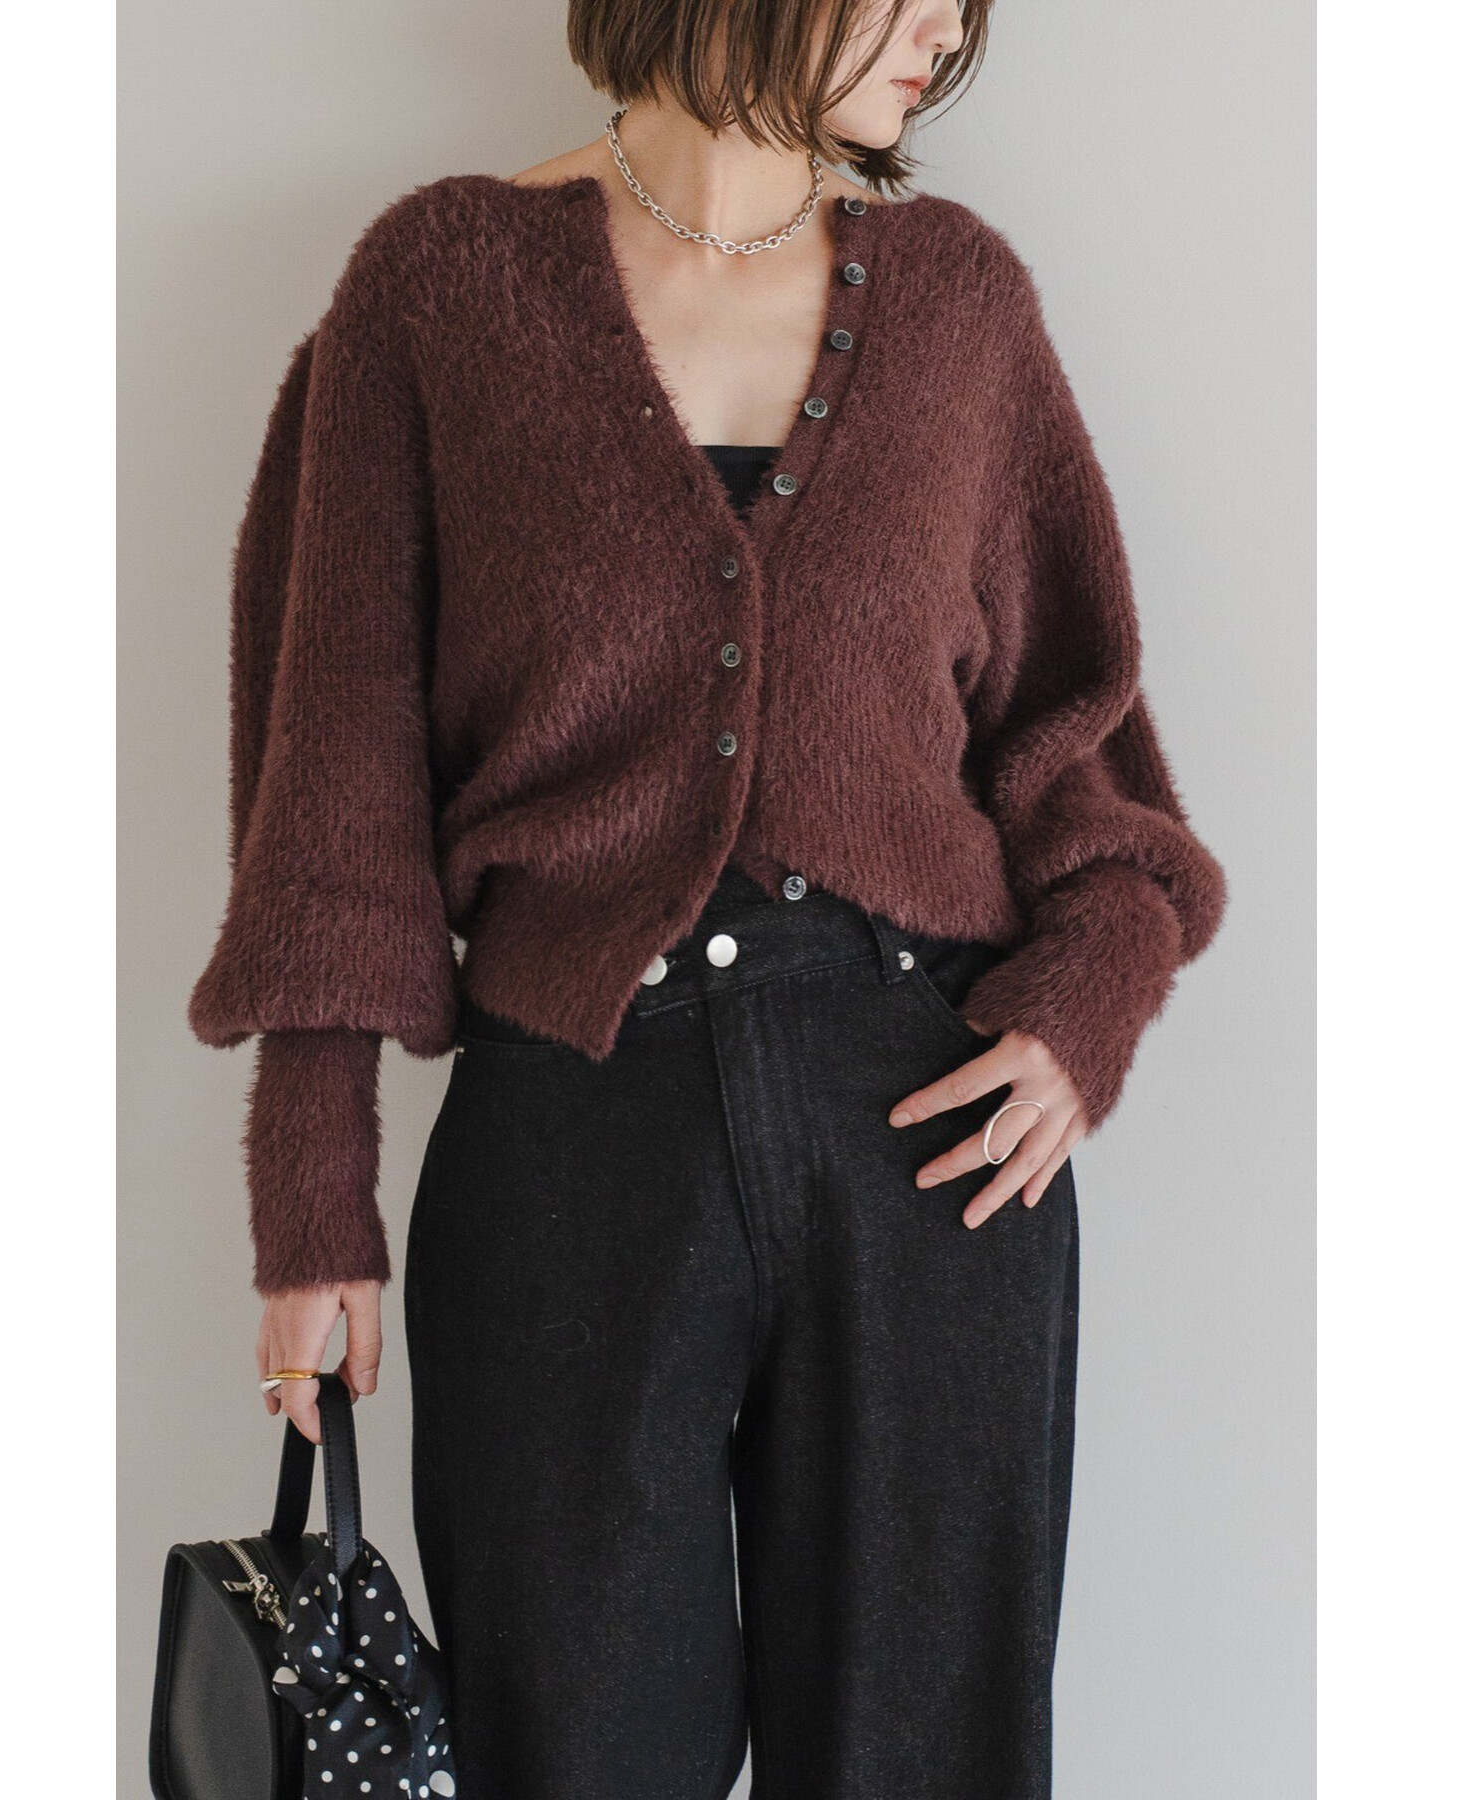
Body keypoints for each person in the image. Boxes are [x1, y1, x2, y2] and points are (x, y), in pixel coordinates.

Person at [187, 1, 1229, 1791]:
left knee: (926, 1760)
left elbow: (1081, 751)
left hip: (930, 1138)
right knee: (575, 1753)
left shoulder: (962, 304)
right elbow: (332, 779)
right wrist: (312, 1199)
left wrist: (1086, 1008)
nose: (947, 34)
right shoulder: (436, 291)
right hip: (570, 1138)